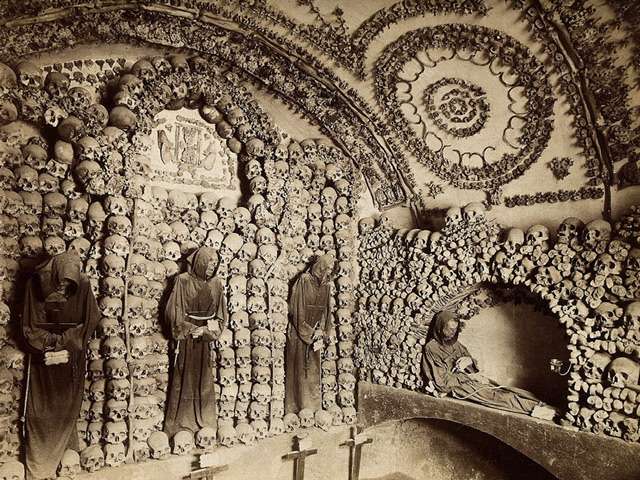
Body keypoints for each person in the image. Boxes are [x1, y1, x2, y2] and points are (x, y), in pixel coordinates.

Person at [21, 251, 100, 480]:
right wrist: (51, 344)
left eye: (69, 284)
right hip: (43, 359)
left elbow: (90, 320)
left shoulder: (83, 285)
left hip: (71, 357)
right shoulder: (35, 284)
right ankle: (40, 467)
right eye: (61, 283)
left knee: (68, 406)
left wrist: (66, 344)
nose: (64, 288)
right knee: (41, 411)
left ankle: (66, 459)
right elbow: (29, 325)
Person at [421, 311, 557, 420]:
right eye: (449, 329)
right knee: (498, 398)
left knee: (507, 390)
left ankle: (542, 404)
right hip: (460, 387)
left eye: (455, 330)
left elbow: (473, 363)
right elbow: (442, 382)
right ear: (439, 327)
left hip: (472, 379)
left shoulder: (454, 343)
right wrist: (470, 378)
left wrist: (469, 361)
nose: (452, 333)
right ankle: (539, 411)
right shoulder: (431, 348)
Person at [164, 247, 227, 438]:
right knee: (184, 379)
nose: (212, 267)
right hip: (187, 339)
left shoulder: (216, 284)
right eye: (209, 263)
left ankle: (204, 423)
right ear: (200, 262)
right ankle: (182, 425)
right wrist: (191, 330)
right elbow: (173, 312)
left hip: (205, 340)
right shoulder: (182, 281)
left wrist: (207, 332)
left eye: (215, 264)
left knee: (205, 380)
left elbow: (221, 316)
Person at [285, 254, 335, 413]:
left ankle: (311, 409)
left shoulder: (326, 286)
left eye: (330, 270)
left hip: (315, 335)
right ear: (320, 267)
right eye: (326, 269)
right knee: (298, 371)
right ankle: (295, 408)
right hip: (300, 333)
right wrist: (308, 331)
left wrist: (323, 331)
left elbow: (327, 311)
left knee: (312, 371)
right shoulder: (304, 281)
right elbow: (296, 309)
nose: (328, 272)